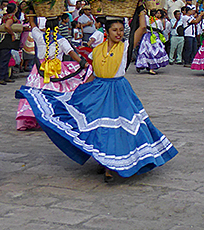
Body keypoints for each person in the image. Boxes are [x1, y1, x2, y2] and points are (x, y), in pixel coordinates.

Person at [16, 17, 177, 183]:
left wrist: (141, 7)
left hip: (118, 91)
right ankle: (104, 160)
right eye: (115, 30)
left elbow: (142, 28)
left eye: (121, 30)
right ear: (106, 32)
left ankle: (110, 165)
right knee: (99, 127)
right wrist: (80, 90)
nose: (119, 33)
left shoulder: (125, 47)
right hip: (98, 90)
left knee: (117, 128)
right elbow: (94, 72)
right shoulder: (98, 50)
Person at [16, 15, 89, 130]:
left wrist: (31, 13)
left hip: (39, 70)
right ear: (58, 27)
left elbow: (32, 24)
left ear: (45, 26)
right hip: (56, 70)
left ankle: (34, 117)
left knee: (36, 93)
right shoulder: (61, 40)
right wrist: (82, 63)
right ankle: (52, 118)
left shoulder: (39, 36)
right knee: (54, 93)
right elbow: (71, 52)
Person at [135, 8, 170, 74]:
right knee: (153, 52)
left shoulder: (146, 19)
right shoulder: (158, 21)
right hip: (154, 37)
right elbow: (161, 29)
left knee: (145, 51)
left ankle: (143, 65)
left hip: (147, 37)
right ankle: (151, 68)